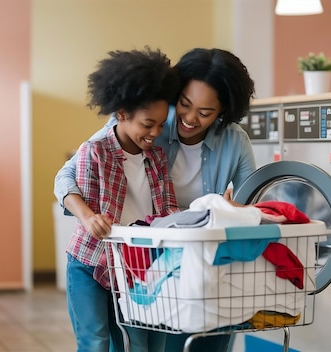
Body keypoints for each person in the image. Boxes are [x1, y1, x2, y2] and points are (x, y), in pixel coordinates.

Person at [55, 47, 256, 352]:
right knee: (128, 339)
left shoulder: (233, 141)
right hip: (146, 257)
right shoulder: (147, 121)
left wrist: (234, 210)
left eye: (205, 113)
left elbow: (247, 205)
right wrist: (86, 215)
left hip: (196, 258)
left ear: (223, 112)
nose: (188, 118)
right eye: (184, 105)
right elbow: (67, 176)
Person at [63, 47, 181, 352]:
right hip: (90, 262)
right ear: (122, 114)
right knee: (95, 343)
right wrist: (92, 218)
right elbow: (89, 211)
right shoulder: (95, 151)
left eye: (160, 124)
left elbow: (168, 208)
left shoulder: (156, 157)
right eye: (147, 124)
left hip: (135, 265)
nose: (155, 132)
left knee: (136, 344)